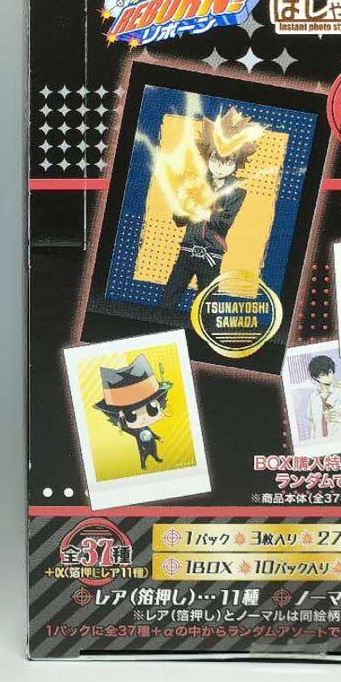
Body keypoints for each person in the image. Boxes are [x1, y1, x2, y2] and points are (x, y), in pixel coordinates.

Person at [161, 106, 262, 312]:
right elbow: (179, 220)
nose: (220, 165)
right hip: (187, 251)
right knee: (167, 301)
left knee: (207, 308)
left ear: (236, 162)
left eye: (228, 160)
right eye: (216, 158)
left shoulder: (237, 193)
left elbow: (223, 223)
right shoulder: (194, 182)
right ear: (208, 156)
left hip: (212, 255)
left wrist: (201, 210)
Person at [93, 354, 172, 470]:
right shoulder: (133, 429)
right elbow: (126, 428)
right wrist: (122, 421)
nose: (143, 417)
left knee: (153, 451)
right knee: (143, 454)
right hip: (142, 445)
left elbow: (151, 433)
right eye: (131, 415)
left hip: (151, 443)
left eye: (152, 409)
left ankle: (155, 457)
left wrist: (158, 438)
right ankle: (143, 464)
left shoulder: (144, 427)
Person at [304, 353, 341, 440]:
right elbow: (313, 424)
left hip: (337, 440)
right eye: (323, 374)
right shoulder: (313, 397)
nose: (328, 377)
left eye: (329, 372)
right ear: (315, 377)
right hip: (318, 441)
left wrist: (339, 419)